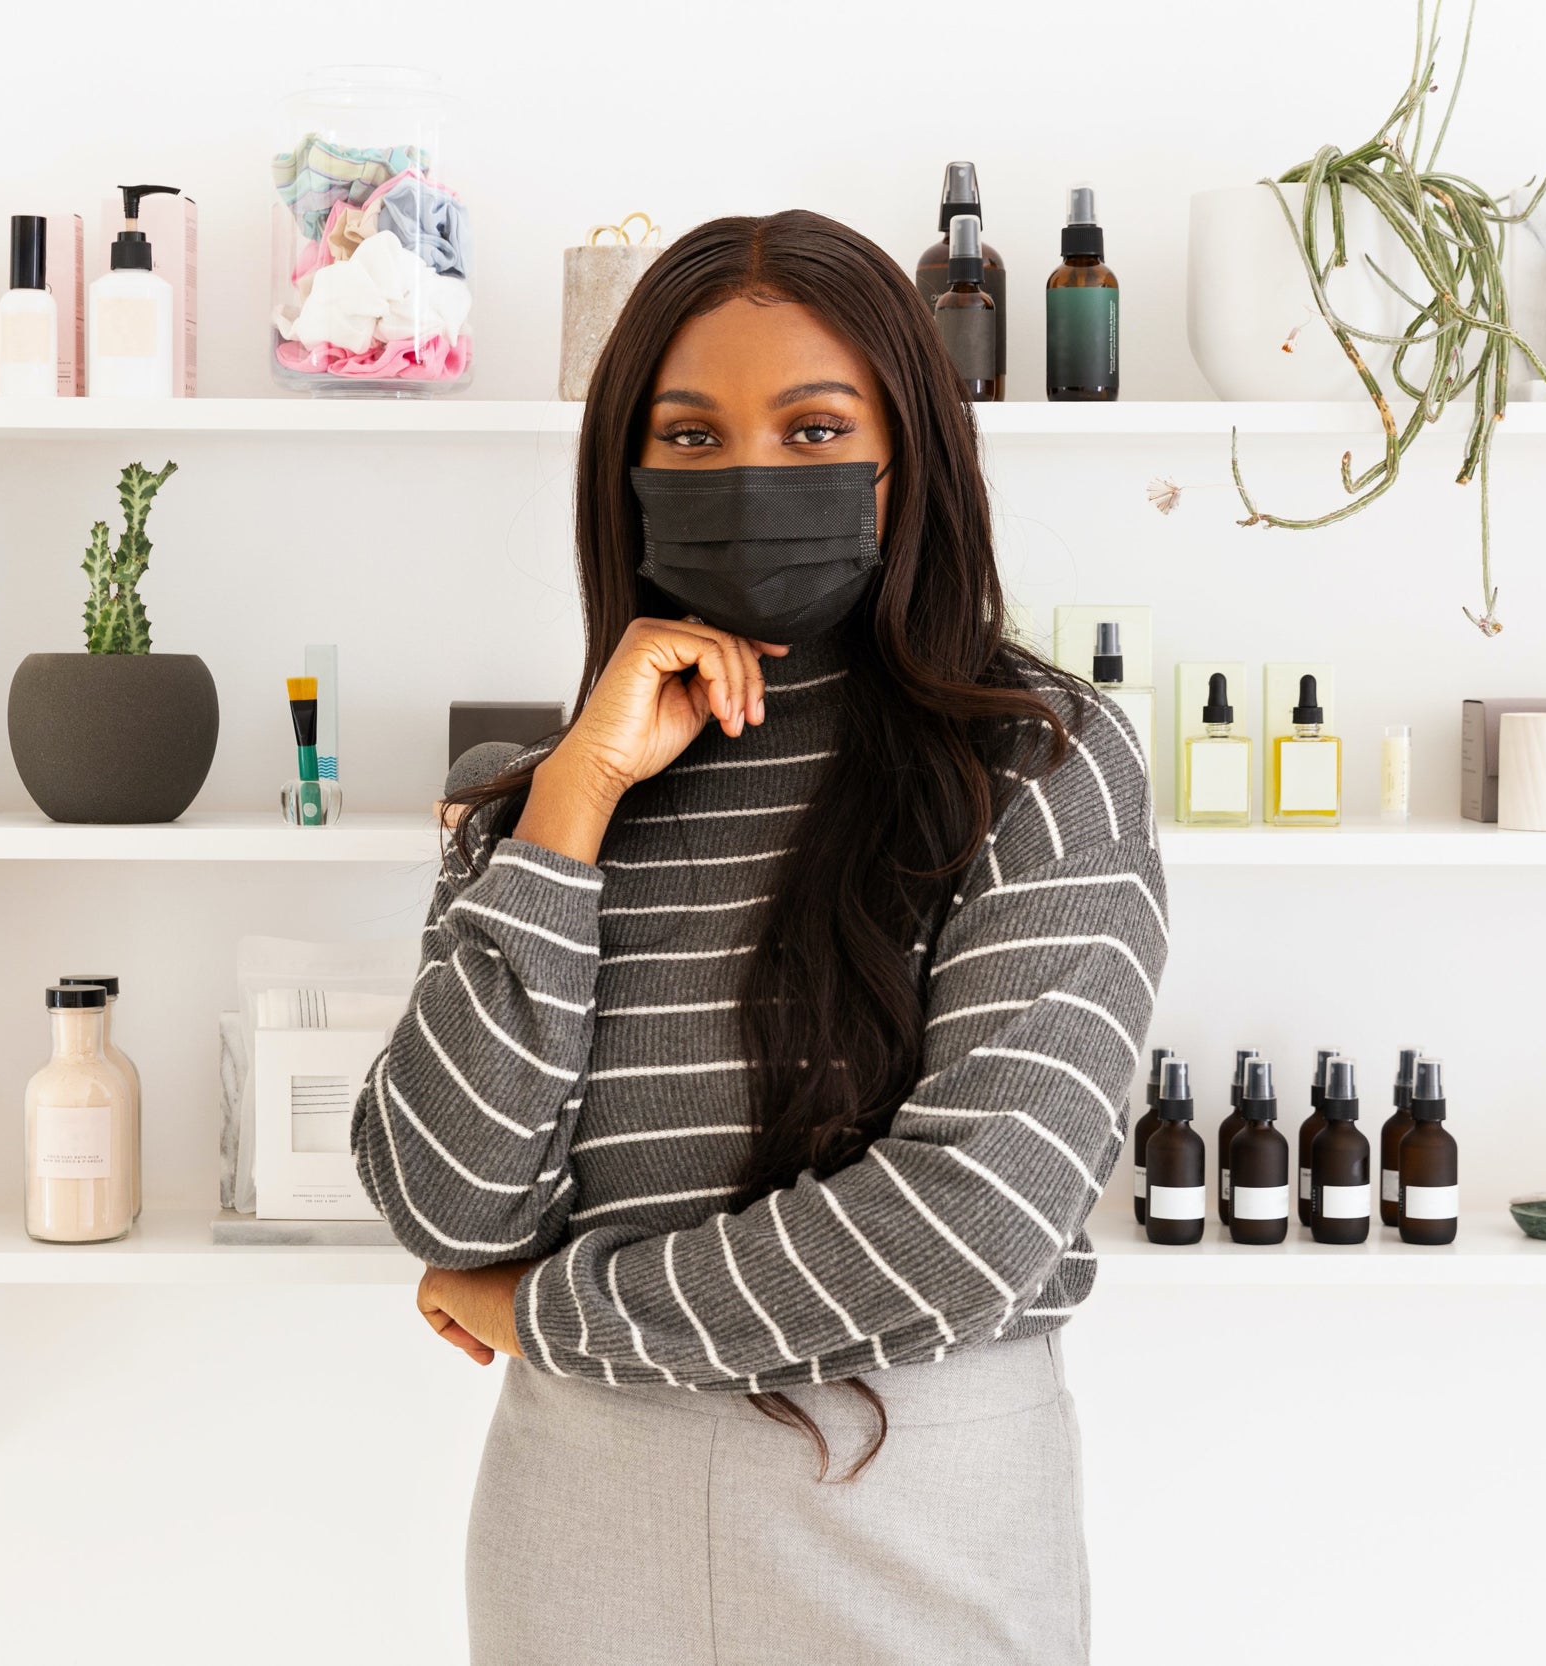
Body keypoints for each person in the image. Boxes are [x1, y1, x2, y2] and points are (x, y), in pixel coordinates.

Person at [353, 209, 1165, 1666]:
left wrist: (555, 1315)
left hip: (919, 1520)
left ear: (904, 459)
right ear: (627, 473)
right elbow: (445, 1201)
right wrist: (574, 800)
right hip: (581, 1524)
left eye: (811, 430)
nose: (748, 476)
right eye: (690, 437)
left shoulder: (1041, 765)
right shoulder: (534, 809)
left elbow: (974, 1219)